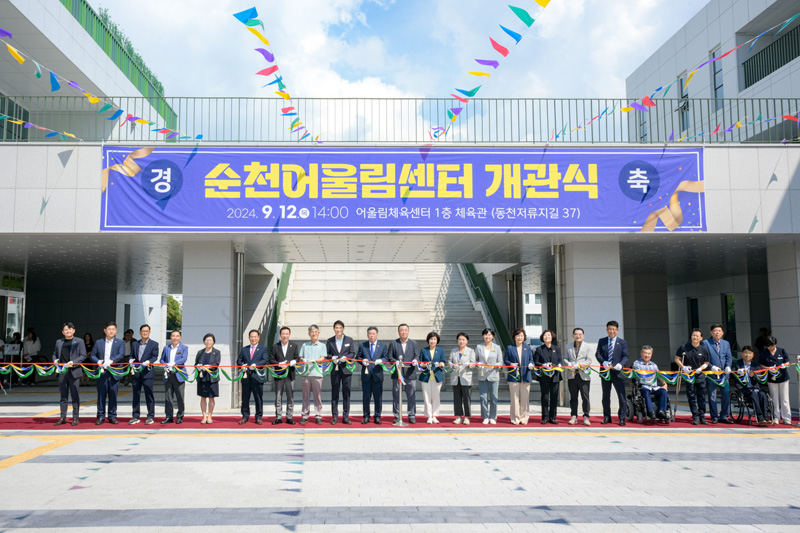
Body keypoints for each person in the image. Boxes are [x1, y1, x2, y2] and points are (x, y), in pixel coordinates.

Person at [89, 321, 125, 425]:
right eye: (109, 329)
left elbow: (121, 354)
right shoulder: (99, 342)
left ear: (116, 330)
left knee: (113, 395)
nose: (111, 331)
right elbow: (92, 355)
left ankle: (112, 416)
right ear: (105, 331)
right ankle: (100, 416)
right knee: (101, 395)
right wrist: (98, 361)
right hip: (102, 372)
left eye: (113, 329)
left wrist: (111, 361)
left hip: (114, 372)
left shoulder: (120, 342)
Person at [595, 320, 629, 426]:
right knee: (606, 396)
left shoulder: (622, 342)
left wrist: (621, 364)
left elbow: (625, 356)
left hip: (618, 373)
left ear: (617, 330)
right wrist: (603, 362)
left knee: (621, 396)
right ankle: (606, 417)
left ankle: (622, 418)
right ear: (607, 330)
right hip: (605, 373)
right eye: (609, 329)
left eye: (614, 329)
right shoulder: (602, 341)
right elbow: (598, 354)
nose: (611, 331)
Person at [53, 322, 87, 426]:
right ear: (63, 332)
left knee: (75, 395)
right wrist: (55, 361)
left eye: (70, 329)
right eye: (66, 330)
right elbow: (54, 354)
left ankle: (75, 417)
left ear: (74, 330)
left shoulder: (79, 341)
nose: (68, 331)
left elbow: (83, 355)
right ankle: (63, 417)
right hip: (62, 371)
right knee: (63, 396)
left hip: (74, 371)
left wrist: (74, 362)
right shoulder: (59, 342)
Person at [674, 328, 710, 425]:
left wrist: (701, 368)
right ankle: (695, 415)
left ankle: (702, 415)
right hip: (688, 375)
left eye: (697, 336)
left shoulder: (703, 349)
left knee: (701, 395)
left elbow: (706, 363)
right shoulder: (684, 347)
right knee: (691, 395)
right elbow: (677, 359)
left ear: (701, 338)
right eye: (693, 335)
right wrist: (683, 367)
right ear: (691, 336)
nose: (695, 337)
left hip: (699, 375)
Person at [702, 323, 733, 424]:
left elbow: (729, 357)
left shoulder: (726, 343)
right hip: (711, 374)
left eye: (719, 331)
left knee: (725, 394)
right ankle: (714, 416)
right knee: (712, 395)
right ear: (711, 332)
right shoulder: (705, 343)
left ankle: (724, 415)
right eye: (715, 331)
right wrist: (711, 367)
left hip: (724, 374)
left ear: (723, 332)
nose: (717, 332)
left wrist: (728, 366)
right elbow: (704, 359)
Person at [389, 323, 420, 424]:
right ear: (398, 332)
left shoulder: (413, 343)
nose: (403, 332)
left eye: (405, 330)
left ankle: (411, 415)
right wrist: (395, 361)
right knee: (396, 395)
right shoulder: (393, 343)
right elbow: (389, 357)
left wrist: (415, 360)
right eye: (401, 330)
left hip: (410, 374)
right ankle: (397, 415)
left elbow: (417, 355)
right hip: (397, 374)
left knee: (411, 395)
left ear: (408, 331)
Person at [731, 346, 771, 425]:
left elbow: (758, 379)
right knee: (754, 394)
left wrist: (753, 376)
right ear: (742, 354)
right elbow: (732, 376)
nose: (747, 355)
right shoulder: (737, 364)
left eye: (750, 353)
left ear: (753, 355)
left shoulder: (756, 366)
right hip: (743, 388)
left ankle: (766, 417)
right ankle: (760, 417)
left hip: (754, 387)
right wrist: (738, 373)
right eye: (746, 353)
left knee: (762, 395)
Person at [128, 324, 159, 425]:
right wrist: (130, 360)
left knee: (149, 395)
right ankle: (135, 415)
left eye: (147, 331)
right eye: (143, 331)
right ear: (140, 332)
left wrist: (149, 361)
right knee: (136, 395)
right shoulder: (135, 344)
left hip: (147, 373)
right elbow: (131, 355)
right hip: (136, 373)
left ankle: (150, 416)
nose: (145, 332)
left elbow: (155, 356)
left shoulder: (154, 344)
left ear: (149, 332)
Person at [237, 329, 269, 425]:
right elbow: (239, 360)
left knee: (258, 398)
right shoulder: (244, 349)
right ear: (249, 338)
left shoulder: (263, 349)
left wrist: (256, 364)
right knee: (245, 398)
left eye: (255, 337)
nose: (253, 338)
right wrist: (241, 365)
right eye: (251, 337)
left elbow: (264, 360)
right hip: (246, 377)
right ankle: (245, 416)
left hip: (257, 377)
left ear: (258, 338)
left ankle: (258, 417)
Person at [326, 320, 355, 425]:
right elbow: (327, 354)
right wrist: (332, 357)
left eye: (340, 328)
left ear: (343, 329)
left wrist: (346, 358)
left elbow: (352, 353)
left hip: (346, 370)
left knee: (346, 393)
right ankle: (334, 416)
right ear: (333, 329)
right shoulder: (330, 341)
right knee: (335, 393)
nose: (338, 330)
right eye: (336, 328)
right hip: (335, 370)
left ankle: (345, 416)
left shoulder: (349, 340)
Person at [563, 327, 594, 426]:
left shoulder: (588, 346)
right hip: (572, 375)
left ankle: (586, 416)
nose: (578, 336)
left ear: (583, 335)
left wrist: (580, 365)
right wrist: (569, 364)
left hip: (583, 375)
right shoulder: (568, 346)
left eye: (580, 334)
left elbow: (589, 360)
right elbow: (564, 359)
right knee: (573, 397)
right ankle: (573, 416)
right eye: (576, 334)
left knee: (585, 397)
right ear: (573, 335)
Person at [504, 328, 535, 425]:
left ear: (524, 337)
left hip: (526, 376)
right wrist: (511, 364)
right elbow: (506, 360)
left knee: (525, 398)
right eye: (518, 336)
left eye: (522, 335)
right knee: (514, 398)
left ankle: (524, 417)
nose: (520, 337)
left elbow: (531, 359)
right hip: (514, 376)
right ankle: (515, 418)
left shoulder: (527, 348)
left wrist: (531, 364)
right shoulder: (510, 348)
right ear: (514, 337)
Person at [358, 326, 388, 424]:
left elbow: (386, 358)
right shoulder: (363, 346)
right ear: (367, 335)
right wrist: (362, 361)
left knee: (378, 398)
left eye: (373, 333)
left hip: (377, 376)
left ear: (377, 335)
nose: (372, 335)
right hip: (366, 376)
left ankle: (377, 416)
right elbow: (358, 357)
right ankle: (366, 416)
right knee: (366, 397)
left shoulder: (382, 346)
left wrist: (381, 361)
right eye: (370, 333)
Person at [269, 327, 298, 425]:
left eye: (287, 334)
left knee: (290, 397)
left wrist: (294, 361)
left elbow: (297, 358)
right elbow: (271, 359)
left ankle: (289, 417)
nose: (285, 336)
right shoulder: (275, 346)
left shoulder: (294, 346)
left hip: (290, 375)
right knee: (278, 396)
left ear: (289, 335)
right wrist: (278, 364)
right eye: (283, 334)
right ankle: (278, 417)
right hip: (279, 374)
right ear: (280, 335)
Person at [760, 336, 792, 424]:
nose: (771, 348)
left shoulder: (782, 351)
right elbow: (761, 365)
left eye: (773, 346)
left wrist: (784, 365)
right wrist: (768, 368)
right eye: (769, 346)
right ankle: (776, 417)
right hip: (771, 378)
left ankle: (787, 418)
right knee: (774, 398)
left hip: (783, 377)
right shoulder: (764, 353)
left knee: (785, 398)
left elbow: (787, 362)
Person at [633, 346, 669, 422]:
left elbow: (659, 375)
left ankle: (661, 411)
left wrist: (664, 383)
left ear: (651, 354)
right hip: (643, 386)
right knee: (645, 391)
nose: (647, 355)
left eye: (649, 353)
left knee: (663, 391)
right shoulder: (636, 364)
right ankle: (650, 412)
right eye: (645, 353)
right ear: (641, 353)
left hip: (654, 386)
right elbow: (639, 374)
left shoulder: (654, 365)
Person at [299, 324, 326, 425]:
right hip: (306, 373)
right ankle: (305, 415)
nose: (314, 334)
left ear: (318, 333)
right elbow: (301, 357)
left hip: (317, 374)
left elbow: (323, 358)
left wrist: (316, 361)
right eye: (312, 332)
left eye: (315, 332)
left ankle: (318, 415)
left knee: (317, 396)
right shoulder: (304, 345)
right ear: (308, 334)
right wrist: (304, 360)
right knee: (305, 396)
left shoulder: (322, 345)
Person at [160, 330, 189, 424]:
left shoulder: (184, 348)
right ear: (170, 337)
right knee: (168, 397)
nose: (175, 338)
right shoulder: (166, 348)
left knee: (180, 397)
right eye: (173, 336)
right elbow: (161, 359)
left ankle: (180, 416)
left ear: (180, 337)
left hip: (179, 375)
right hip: (168, 375)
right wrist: (165, 364)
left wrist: (175, 363)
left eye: (177, 336)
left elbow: (184, 358)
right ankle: (169, 416)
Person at [534, 329, 562, 425]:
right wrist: (543, 365)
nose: (547, 337)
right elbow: (536, 362)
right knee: (545, 397)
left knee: (554, 397)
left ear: (552, 337)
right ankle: (545, 417)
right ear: (542, 337)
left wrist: (558, 365)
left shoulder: (557, 349)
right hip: (544, 376)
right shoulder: (539, 349)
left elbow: (560, 361)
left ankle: (553, 417)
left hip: (555, 376)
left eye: (549, 335)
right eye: (545, 335)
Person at [475, 328, 502, 425]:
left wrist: (496, 365)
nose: (488, 336)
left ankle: (493, 416)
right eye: (486, 334)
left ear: (493, 336)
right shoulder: (479, 347)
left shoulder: (497, 347)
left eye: (490, 335)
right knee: (483, 397)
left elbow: (500, 361)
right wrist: (478, 364)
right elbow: (475, 360)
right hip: (482, 375)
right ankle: (485, 416)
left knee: (494, 397)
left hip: (493, 375)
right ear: (483, 336)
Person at [420, 331, 446, 424]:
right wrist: (424, 364)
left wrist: (440, 364)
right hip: (426, 376)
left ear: (437, 340)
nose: (432, 341)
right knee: (426, 397)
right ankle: (429, 416)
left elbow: (443, 362)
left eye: (434, 339)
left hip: (437, 376)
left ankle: (435, 415)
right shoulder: (424, 350)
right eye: (431, 339)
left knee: (436, 397)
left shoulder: (441, 350)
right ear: (428, 340)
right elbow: (420, 363)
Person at [449, 332, 476, 425]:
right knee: (457, 399)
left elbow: (473, 364)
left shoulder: (471, 351)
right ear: (457, 341)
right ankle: (459, 416)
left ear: (467, 341)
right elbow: (449, 362)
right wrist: (452, 366)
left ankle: (467, 417)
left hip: (466, 378)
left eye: (463, 340)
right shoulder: (453, 351)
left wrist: (469, 364)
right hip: (456, 378)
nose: (461, 341)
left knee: (466, 398)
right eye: (460, 339)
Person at [196, 333, 221, 425]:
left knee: (211, 398)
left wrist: (209, 367)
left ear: (213, 342)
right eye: (206, 340)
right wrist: (198, 366)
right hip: (202, 377)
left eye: (210, 340)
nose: (208, 342)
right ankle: (204, 416)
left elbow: (217, 364)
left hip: (212, 378)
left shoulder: (217, 352)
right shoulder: (200, 352)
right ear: (204, 341)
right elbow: (196, 364)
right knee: (203, 397)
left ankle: (210, 416)